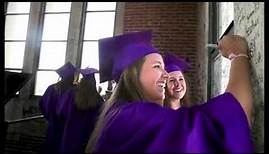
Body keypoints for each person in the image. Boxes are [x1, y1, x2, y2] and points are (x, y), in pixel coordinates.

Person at [85, 31, 254, 153]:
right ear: (132, 73)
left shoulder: (119, 113)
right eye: (157, 66)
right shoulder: (132, 116)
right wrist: (237, 53)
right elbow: (228, 120)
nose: (166, 75)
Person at [57, 67, 104, 153]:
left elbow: (61, 113)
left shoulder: (70, 94)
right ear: (94, 82)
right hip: (88, 139)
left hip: (70, 137)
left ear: (82, 81)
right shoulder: (98, 99)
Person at [39, 62, 77, 154]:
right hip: (69, 126)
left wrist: (50, 117)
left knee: (52, 148)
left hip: (54, 125)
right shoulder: (75, 91)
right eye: (72, 75)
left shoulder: (52, 89)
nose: (73, 77)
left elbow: (42, 105)